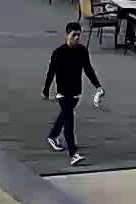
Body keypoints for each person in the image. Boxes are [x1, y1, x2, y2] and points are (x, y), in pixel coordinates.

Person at [43, 22, 103, 166]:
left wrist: (98, 86)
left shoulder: (82, 51)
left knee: (64, 115)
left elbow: (88, 69)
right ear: (67, 35)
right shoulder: (59, 53)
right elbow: (51, 72)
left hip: (76, 91)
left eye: (78, 35)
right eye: (73, 35)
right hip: (63, 93)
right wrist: (46, 90)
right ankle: (73, 153)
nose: (76, 38)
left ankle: (52, 136)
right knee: (69, 121)